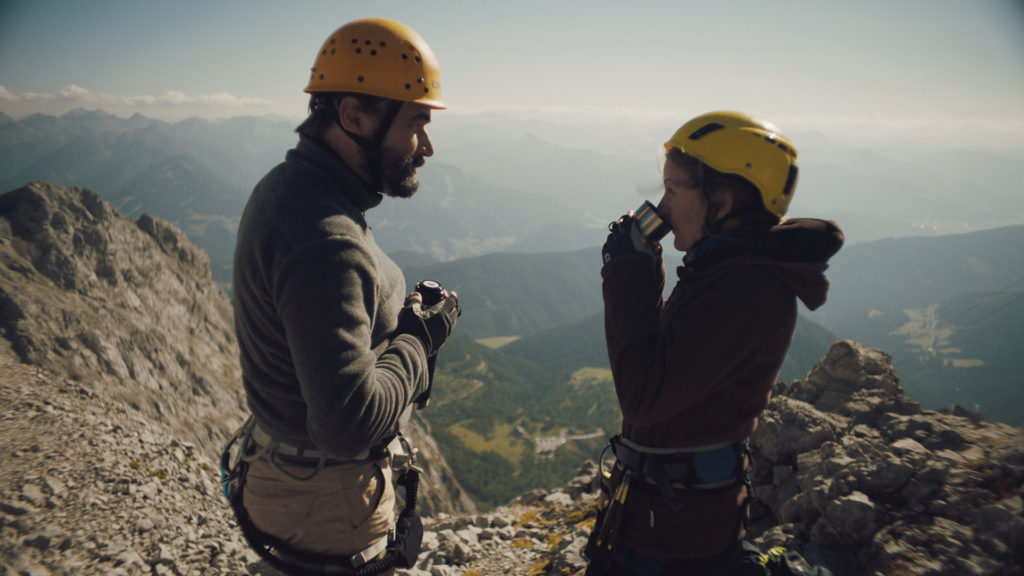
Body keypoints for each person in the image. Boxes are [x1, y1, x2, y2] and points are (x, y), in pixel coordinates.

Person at [222, 18, 459, 576]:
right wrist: (419, 341)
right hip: (328, 506)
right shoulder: (325, 237)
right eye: (416, 123)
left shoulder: (290, 189)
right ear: (354, 116)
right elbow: (348, 424)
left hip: (295, 485)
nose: (427, 147)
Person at [586, 111, 843, 575]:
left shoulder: (747, 291)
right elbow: (662, 364)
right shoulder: (724, 272)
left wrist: (627, 271)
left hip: (676, 542)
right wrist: (642, 269)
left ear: (720, 203)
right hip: (665, 523)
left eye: (673, 189)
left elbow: (643, 396)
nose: (661, 207)